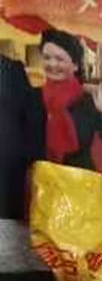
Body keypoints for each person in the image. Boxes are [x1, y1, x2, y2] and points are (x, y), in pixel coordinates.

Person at [38, 28, 102, 173]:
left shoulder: (87, 100)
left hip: (80, 178)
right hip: (41, 178)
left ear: (75, 65)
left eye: (59, 59)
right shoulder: (33, 98)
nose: (52, 64)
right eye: (47, 57)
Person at [0, 55, 44, 219]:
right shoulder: (11, 69)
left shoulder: (12, 69)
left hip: (8, 168)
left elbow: (32, 115)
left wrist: (34, 159)